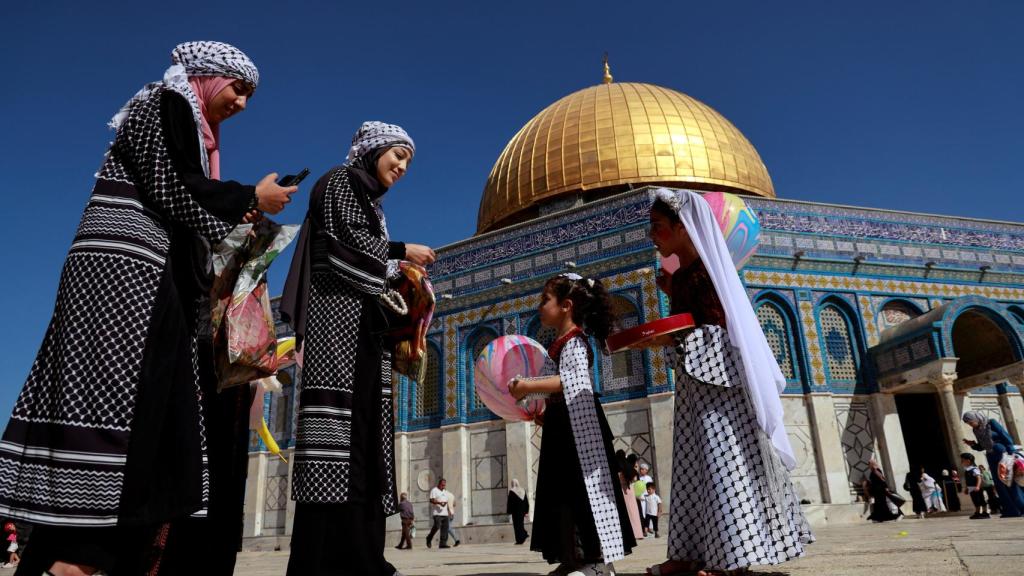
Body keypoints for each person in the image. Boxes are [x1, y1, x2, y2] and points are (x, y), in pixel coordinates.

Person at [0, 41, 296, 576]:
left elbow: (181, 195)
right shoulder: (164, 103)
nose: (243, 104)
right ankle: (74, 558)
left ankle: (87, 557)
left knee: (142, 410)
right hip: (124, 270)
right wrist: (250, 198)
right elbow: (169, 187)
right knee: (118, 406)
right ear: (206, 77)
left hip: (145, 272)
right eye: (238, 89)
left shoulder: (184, 120)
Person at [280, 121, 435, 576]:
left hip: (361, 336)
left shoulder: (367, 199)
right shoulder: (339, 182)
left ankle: (361, 557)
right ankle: (326, 561)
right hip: (336, 332)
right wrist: (402, 253)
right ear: (372, 150)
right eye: (397, 155)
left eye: (408, 160)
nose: (403, 166)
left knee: (360, 444)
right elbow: (344, 246)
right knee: (336, 448)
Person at [643, 189, 813, 576]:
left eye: (657, 228)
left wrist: (669, 337)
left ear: (683, 228)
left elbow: (719, 333)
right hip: (696, 386)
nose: (652, 236)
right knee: (692, 471)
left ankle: (730, 559)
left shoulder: (705, 274)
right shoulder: (686, 274)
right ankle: (688, 554)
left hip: (719, 390)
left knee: (724, 467)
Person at [510, 273, 636, 576]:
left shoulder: (575, 342)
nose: (540, 307)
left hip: (581, 430)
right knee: (563, 493)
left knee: (584, 492)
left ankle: (596, 561)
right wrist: (535, 400)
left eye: (545, 300)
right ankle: (573, 557)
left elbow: (571, 381)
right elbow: (553, 384)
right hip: (564, 425)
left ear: (566, 305)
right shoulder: (558, 344)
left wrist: (528, 386)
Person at [962, 412, 1024, 517]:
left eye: (971, 422)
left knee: (1009, 481)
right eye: (968, 423)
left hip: (1003, 454)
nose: (970, 425)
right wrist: (973, 445)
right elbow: (982, 446)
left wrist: (1011, 454)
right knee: (999, 484)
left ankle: (1021, 508)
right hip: (991, 456)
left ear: (976, 418)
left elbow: (1006, 437)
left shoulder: (991, 423)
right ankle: (1010, 510)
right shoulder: (976, 430)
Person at [616, 451, 645, 541]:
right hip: (630, 491)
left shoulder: (618, 468)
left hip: (621, 491)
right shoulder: (628, 467)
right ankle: (638, 533)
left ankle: (629, 534)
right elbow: (635, 478)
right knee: (634, 512)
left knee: (626, 513)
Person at [961, 453, 990, 519]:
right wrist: (966, 488)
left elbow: (978, 478)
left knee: (981, 500)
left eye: (963, 460)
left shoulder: (974, 469)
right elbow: (967, 480)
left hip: (976, 488)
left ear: (968, 461)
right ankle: (977, 512)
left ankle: (985, 512)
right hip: (971, 488)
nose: (962, 462)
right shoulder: (967, 470)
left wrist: (977, 486)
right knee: (975, 501)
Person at [425, 479, 451, 549]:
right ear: (439, 484)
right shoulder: (434, 490)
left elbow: (446, 502)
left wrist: (448, 511)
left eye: (444, 485)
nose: (443, 486)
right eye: (442, 485)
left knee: (445, 528)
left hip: (445, 513)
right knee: (437, 526)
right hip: (437, 513)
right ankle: (429, 538)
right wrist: (439, 503)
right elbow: (431, 500)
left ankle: (443, 543)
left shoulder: (445, 492)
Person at [507, 479, 531, 545]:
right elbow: (526, 502)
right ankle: (522, 538)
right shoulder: (523, 490)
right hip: (522, 511)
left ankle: (521, 538)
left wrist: (509, 511)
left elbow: (510, 502)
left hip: (515, 512)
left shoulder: (512, 491)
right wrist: (526, 511)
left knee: (517, 526)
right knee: (521, 524)